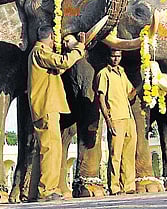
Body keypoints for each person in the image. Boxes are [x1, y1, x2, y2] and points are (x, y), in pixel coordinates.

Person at [28, 25, 86, 201]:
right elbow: (63, 62)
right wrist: (79, 48)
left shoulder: (41, 55)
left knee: (46, 149)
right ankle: (47, 190)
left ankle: (34, 192)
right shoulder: (40, 52)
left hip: (48, 107)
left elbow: (59, 68)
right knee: (50, 149)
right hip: (46, 107)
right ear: (52, 36)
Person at [95, 49, 137, 195]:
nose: (115, 59)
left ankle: (129, 186)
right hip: (115, 117)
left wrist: (145, 80)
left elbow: (131, 93)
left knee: (129, 154)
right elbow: (101, 98)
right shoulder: (103, 74)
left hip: (128, 117)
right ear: (108, 56)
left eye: (118, 56)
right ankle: (114, 187)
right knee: (115, 155)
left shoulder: (122, 72)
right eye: (113, 56)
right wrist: (108, 120)